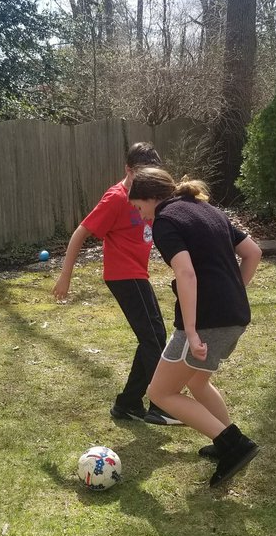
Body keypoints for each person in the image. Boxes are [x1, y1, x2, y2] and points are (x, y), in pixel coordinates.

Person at [128, 166, 262, 487]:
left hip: (205, 323)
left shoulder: (166, 221)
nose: (142, 216)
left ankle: (234, 445)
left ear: (152, 198)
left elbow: (186, 274)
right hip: (235, 316)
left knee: (160, 392)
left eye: (140, 208)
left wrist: (190, 330)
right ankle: (227, 441)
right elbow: (253, 253)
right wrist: (233, 295)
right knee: (199, 383)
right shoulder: (207, 209)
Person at [53, 143, 181, 426]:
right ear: (128, 170)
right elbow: (81, 232)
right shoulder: (115, 197)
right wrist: (66, 275)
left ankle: (128, 404)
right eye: (140, 174)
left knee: (153, 336)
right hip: (123, 275)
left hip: (138, 274)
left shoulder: (150, 194)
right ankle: (160, 405)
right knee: (153, 338)